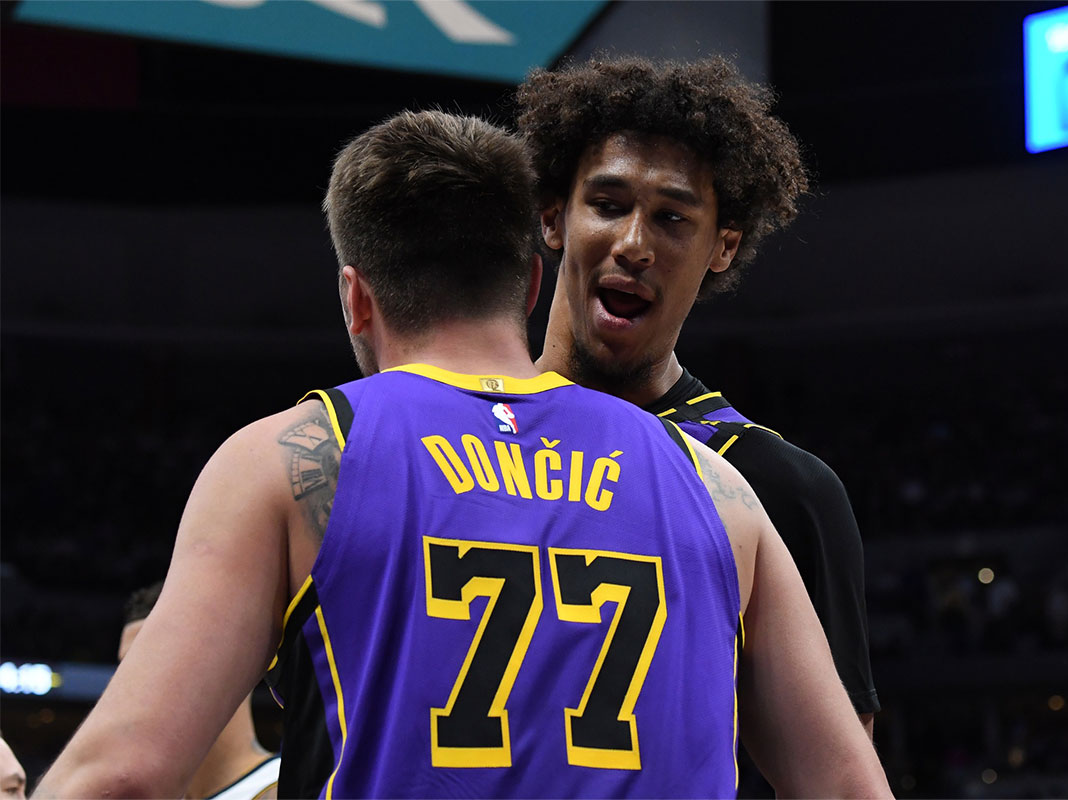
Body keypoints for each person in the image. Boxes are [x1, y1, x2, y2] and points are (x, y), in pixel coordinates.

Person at [34, 110, 890, 799]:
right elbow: (851, 786)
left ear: (356, 299)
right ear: (527, 280)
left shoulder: (299, 455)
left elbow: (122, 775)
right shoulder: (716, 483)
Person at [516, 55, 880, 793]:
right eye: (609, 203)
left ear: (724, 247)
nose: (635, 244)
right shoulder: (439, 444)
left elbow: (837, 781)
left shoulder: (782, 490)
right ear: (553, 216)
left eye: (673, 217)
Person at [119, 582, 280, 800]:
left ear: (230, 663)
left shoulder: (297, 787)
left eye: (155, 663)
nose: (126, 686)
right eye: (124, 668)